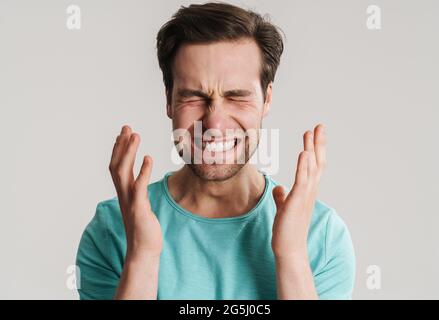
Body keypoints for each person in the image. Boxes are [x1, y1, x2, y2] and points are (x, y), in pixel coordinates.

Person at [75, 2, 355, 300]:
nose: (214, 123)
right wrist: (142, 256)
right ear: (169, 99)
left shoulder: (320, 236)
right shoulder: (113, 230)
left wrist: (292, 257)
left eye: (236, 97)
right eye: (194, 97)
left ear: (267, 99)